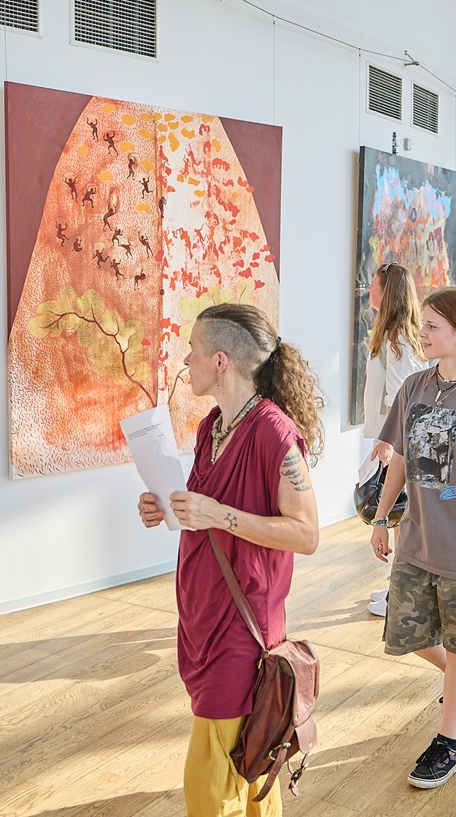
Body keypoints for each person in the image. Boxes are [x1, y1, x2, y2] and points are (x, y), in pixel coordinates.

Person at [136, 303, 324, 816]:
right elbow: (205, 511)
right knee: (248, 761)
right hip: (202, 613)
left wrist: (217, 514)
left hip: (243, 624)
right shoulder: (212, 427)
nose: (185, 361)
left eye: (192, 351)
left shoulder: (273, 432)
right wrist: (165, 507)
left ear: (221, 360)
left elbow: (306, 533)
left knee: (211, 779)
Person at [368, 287, 456, 790]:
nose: (422, 333)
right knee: (406, 631)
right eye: (423, 324)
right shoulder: (415, 386)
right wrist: (381, 517)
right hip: (418, 538)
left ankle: (448, 742)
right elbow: (401, 459)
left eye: (432, 326)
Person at [362, 262, 427, 617]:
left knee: (399, 517)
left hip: (400, 438)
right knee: (401, 518)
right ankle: (397, 588)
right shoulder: (395, 332)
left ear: (387, 292)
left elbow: (400, 395)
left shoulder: (397, 336)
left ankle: (401, 597)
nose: (369, 290)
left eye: (373, 285)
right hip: (398, 435)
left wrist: (389, 443)